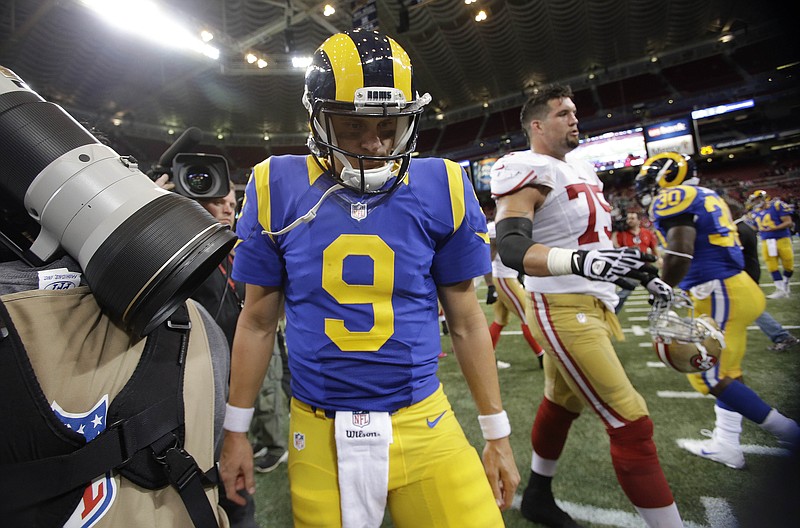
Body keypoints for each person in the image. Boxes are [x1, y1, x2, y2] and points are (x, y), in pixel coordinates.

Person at [219, 29, 519, 528]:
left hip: (423, 419)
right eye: (352, 126)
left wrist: (497, 434)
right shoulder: (275, 184)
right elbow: (255, 322)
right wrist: (235, 431)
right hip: (316, 429)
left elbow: (466, 321)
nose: (373, 143)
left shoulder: (442, 183)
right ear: (319, 119)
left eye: (388, 125)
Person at [491, 83, 682, 528]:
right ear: (536, 125)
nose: (575, 118)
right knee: (631, 421)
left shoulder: (582, 167)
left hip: (595, 301)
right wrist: (577, 260)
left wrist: (640, 271)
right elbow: (513, 246)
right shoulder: (524, 167)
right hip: (561, 306)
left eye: (574, 111)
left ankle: (537, 496)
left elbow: (595, 240)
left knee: (562, 404)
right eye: (562, 113)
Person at [635, 152, 800, 470]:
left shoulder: (677, 196)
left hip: (719, 290)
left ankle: (789, 432)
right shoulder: (706, 194)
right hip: (731, 287)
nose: (647, 190)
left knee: (709, 375)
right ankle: (727, 443)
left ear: (668, 176)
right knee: (727, 372)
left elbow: (680, 251)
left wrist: (662, 293)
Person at [733, 205, 799, 352]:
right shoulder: (743, 227)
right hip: (747, 273)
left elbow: (733, 256)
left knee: (751, 308)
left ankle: (782, 336)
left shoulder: (738, 230)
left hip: (744, 275)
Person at [487, 218, 545, 368]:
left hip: (506, 276)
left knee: (500, 320)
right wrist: (490, 286)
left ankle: (486, 358)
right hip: (504, 278)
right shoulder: (496, 227)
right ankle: (541, 356)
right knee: (528, 316)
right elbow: (489, 256)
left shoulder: (512, 224)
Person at [746, 190, 795, 298]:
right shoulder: (755, 212)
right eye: (754, 200)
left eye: (757, 199)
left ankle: (786, 283)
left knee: (789, 265)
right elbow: (754, 227)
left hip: (782, 238)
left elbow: (788, 222)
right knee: (771, 266)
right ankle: (780, 289)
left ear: (764, 198)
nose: (755, 202)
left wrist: (775, 228)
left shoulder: (777, 206)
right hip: (766, 241)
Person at [611, 211, 660, 314]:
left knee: (658, 289)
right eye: (628, 218)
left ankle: (659, 311)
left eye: (632, 218)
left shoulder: (646, 232)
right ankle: (612, 313)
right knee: (625, 292)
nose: (630, 221)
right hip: (630, 267)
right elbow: (615, 247)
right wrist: (615, 233)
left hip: (646, 267)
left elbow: (654, 247)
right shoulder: (622, 233)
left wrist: (658, 259)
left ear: (638, 221)